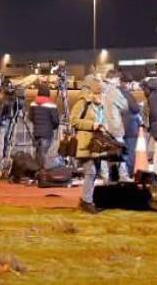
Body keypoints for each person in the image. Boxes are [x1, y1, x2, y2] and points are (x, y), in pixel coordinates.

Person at [72, 76, 107, 213]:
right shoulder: (83, 102)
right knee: (91, 172)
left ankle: (88, 200)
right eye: (99, 93)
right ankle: (86, 201)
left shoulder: (100, 106)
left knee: (94, 172)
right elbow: (73, 121)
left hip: (96, 144)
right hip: (85, 143)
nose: (101, 96)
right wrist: (92, 125)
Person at [30, 82, 61, 168]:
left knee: (38, 153)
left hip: (36, 133)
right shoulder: (51, 105)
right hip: (47, 133)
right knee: (43, 154)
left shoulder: (33, 103)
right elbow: (55, 121)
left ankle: (36, 171)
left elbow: (31, 117)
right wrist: (53, 127)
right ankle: (42, 173)